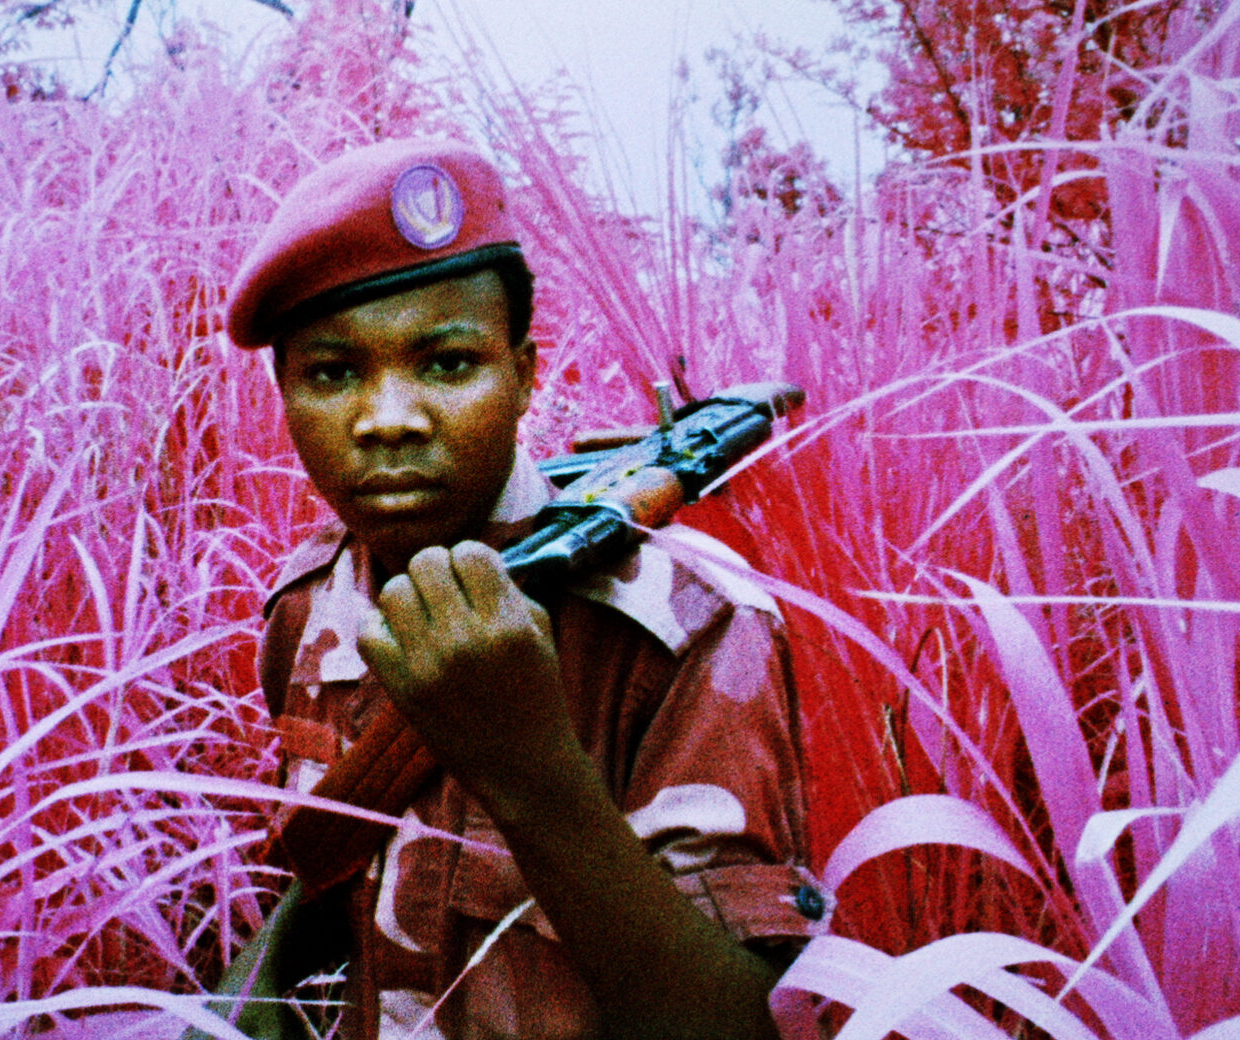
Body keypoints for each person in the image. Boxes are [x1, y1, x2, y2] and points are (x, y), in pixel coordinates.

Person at [218, 137, 831, 1040]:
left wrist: (528, 764)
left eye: (447, 363)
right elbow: (319, 897)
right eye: (333, 374)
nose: (388, 420)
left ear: (522, 376)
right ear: (284, 396)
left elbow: (739, 1024)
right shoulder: (308, 600)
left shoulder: (688, 624)